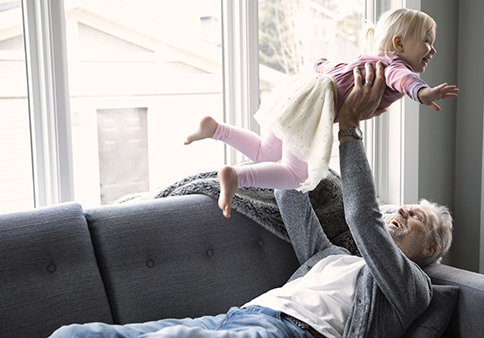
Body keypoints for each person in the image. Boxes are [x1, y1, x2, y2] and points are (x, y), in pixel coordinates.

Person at [49, 59, 453, 338]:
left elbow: (364, 219)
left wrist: (349, 129)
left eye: (415, 214)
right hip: (234, 318)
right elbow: (289, 192)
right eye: (405, 205)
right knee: (73, 332)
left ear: (430, 246)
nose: (400, 208)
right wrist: (309, 113)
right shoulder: (332, 256)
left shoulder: (411, 287)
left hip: (286, 331)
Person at [184, 8, 459, 218]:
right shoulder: (393, 66)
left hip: (299, 92)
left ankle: (216, 129)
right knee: (297, 175)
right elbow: (405, 82)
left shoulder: (365, 61)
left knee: (264, 152)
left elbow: (329, 68)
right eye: (427, 41)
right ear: (399, 44)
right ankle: (237, 176)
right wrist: (425, 94)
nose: (433, 50)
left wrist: (318, 63)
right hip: (313, 109)